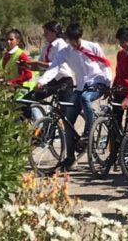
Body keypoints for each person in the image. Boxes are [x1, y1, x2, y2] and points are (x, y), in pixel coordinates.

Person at [35, 22, 113, 170]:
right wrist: (41, 81)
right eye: (72, 40)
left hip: (98, 83)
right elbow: (53, 68)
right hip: (81, 86)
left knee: (85, 98)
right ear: (68, 39)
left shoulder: (93, 47)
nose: (75, 43)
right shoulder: (65, 51)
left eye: (77, 40)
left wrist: (108, 83)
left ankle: (88, 131)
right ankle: (70, 157)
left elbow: (105, 64)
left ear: (80, 37)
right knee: (68, 121)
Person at [23, 21, 75, 121]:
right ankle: (39, 128)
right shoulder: (46, 46)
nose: (44, 35)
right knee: (26, 99)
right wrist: (26, 66)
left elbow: (55, 66)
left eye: (46, 33)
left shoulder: (61, 45)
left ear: (54, 32)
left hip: (63, 80)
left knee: (64, 114)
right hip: (50, 80)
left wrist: (37, 63)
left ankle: (66, 133)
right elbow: (41, 66)